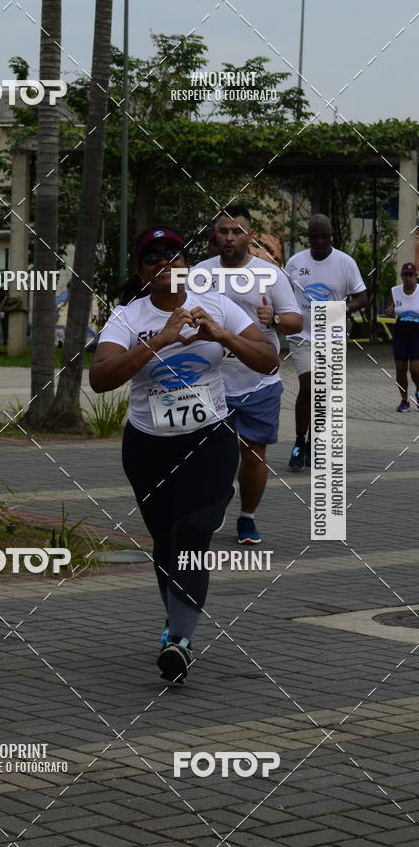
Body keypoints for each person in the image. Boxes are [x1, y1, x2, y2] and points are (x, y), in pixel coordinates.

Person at [90, 226, 278, 684]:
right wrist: (162, 339)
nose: (164, 264)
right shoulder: (128, 317)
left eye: (172, 255)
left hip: (209, 437)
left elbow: (268, 358)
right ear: (142, 272)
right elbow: (100, 378)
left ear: (186, 265)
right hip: (147, 445)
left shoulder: (215, 303)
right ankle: (177, 625)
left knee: (192, 531)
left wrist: (222, 335)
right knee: (165, 542)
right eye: (152, 258)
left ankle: (179, 641)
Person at [190, 207, 303, 545]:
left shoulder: (270, 274)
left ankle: (247, 517)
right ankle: (219, 498)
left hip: (257, 380)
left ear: (249, 237)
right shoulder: (199, 273)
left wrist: (275, 320)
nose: (229, 237)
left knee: (253, 455)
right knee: (210, 454)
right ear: (216, 235)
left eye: (237, 231)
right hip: (211, 379)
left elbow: (297, 320)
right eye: (223, 231)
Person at [285, 214, 368, 470]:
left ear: (331, 235)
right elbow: (284, 294)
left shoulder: (345, 262)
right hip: (301, 336)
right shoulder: (295, 263)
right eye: (315, 236)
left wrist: (343, 308)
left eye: (325, 236)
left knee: (322, 393)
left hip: (332, 337)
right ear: (307, 237)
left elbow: (361, 297)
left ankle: (314, 442)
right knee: (309, 386)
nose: (320, 241)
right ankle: (299, 441)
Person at [385, 262, 419, 411]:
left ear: (416, 276)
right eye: (405, 275)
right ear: (401, 276)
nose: (408, 278)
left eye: (411, 275)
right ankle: (404, 400)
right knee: (400, 369)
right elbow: (389, 309)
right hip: (401, 331)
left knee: (415, 370)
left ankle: (418, 391)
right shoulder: (395, 291)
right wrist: (390, 311)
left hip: (417, 331)